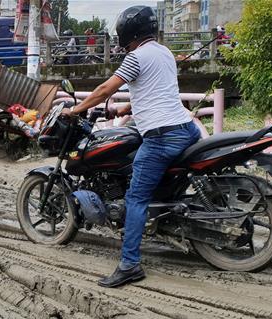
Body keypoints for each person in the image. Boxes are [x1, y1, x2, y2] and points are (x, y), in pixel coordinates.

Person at [63, 5, 200, 288]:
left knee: (136, 198)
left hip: (162, 137)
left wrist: (75, 110)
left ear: (128, 32)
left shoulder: (135, 57)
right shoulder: (164, 52)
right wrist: (123, 109)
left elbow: (105, 89)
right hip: (186, 129)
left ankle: (129, 265)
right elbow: (156, 92)